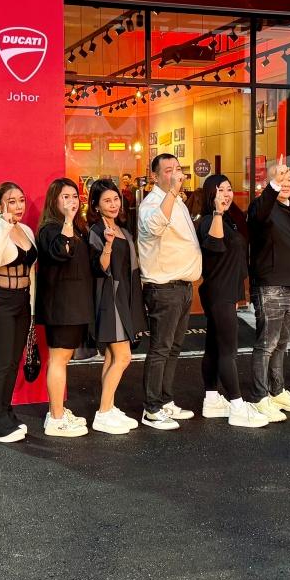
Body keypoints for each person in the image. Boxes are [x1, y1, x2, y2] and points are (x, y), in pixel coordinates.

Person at [197, 174, 268, 428]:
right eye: (220, 190)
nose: (226, 194)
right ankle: (237, 406)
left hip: (224, 291)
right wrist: (217, 212)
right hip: (219, 293)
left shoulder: (228, 219)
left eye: (228, 189)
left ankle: (211, 400)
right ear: (210, 194)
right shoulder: (210, 220)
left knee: (215, 348)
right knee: (228, 351)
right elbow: (215, 245)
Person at [137, 154, 202, 430]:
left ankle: (165, 400)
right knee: (161, 348)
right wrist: (173, 192)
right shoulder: (152, 203)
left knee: (173, 348)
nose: (175, 174)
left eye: (177, 168)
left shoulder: (177, 202)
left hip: (182, 286)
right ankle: (151, 408)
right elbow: (154, 227)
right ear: (155, 176)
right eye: (168, 170)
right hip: (164, 288)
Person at [246, 156, 290, 422]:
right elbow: (258, 215)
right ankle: (259, 397)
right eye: (280, 178)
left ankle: (277, 390)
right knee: (266, 344)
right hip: (271, 286)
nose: (285, 182)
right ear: (269, 182)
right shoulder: (263, 206)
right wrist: (273, 186)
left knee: (282, 344)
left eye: (289, 178)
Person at [0, 181, 37, 444]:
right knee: (0, 364)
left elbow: (32, 271)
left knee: (13, 362)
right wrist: (4, 224)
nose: (18, 206)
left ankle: (5, 413)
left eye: (21, 200)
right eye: (11, 201)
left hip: (21, 301)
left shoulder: (26, 230)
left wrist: (32, 306)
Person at [87, 179, 148, 433]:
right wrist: (109, 244)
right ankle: (103, 413)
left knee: (113, 357)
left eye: (115, 199)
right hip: (109, 297)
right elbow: (99, 268)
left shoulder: (122, 228)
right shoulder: (96, 231)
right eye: (107, 201)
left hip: (125, 295)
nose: (113, 204)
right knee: (123, 357)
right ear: (96, 206)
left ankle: (109, 407)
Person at [34, 178, 93, 439]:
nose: (72, 201)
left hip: (73, 305)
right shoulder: (50, 229)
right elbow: (62, 251)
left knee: (63, 359)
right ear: (54, 201)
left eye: (74, 196)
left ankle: (57, 412)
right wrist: (68, 221)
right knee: (59, 359)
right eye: (65, 197)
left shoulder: (76, 227)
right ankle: (56, 419)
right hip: (62, 306)